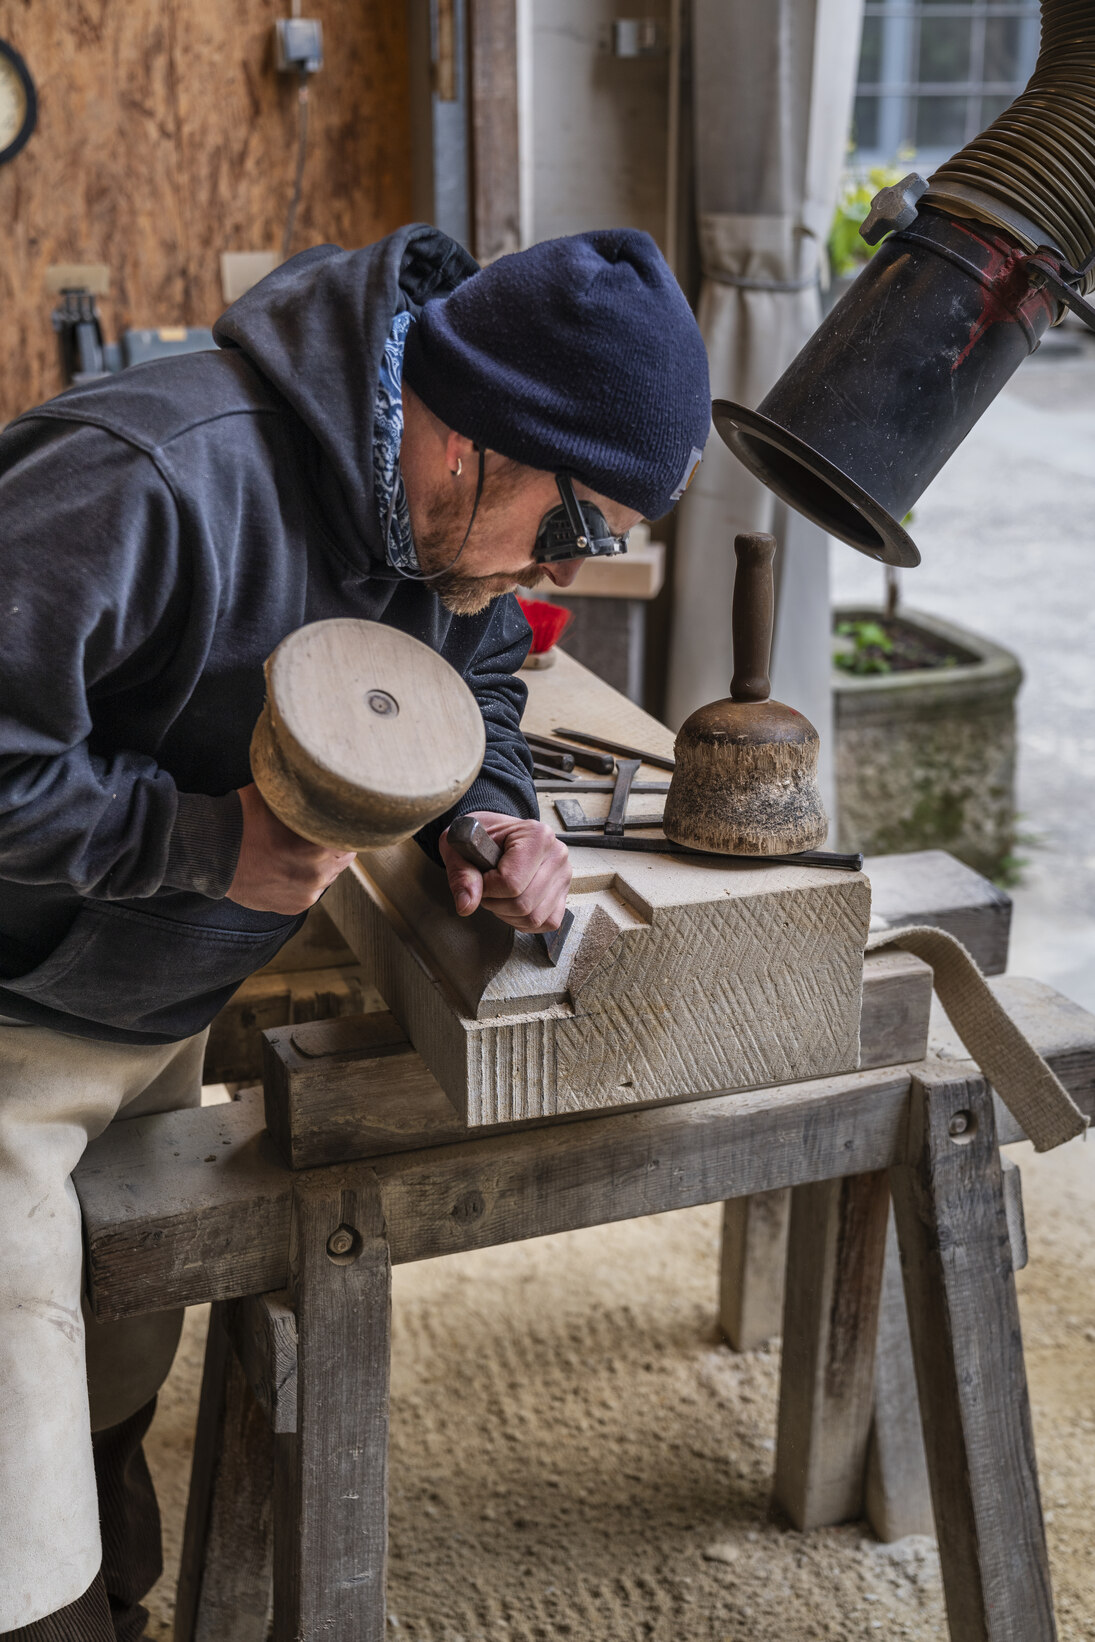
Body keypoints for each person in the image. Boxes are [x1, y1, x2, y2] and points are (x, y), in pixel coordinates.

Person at [0, 223, 710, 1638]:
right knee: (11, 1407)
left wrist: (486, 814)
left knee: (115, 1336)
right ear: (474, 449)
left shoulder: (439, 542)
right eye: (570, 530)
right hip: (10, 999)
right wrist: (207, 845)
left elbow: (487, 676)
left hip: (152, 986)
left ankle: (106, 1551)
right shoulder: (151, 474)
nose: (549, 572)